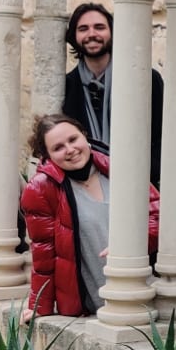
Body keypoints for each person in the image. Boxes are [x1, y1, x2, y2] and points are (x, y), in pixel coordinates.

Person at [20, 114, 158, 322]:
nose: (70, 149)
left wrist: (133, 243)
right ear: (46, 156)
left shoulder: (118, 169)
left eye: (73, 139)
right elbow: (43, 253)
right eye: (58, 147)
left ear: (84, 136)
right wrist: (39, 305)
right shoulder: (41, 189)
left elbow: (157, 214)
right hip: (96, 303)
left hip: (145, 290)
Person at [61, 2, 166, 184]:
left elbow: (161, 134)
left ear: (112, 32)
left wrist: (147, 175)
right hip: (84, 185)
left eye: (99, 27)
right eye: (83, 29)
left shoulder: (144, 79)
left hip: (138, 184)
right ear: (74, 36)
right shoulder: (65, 85)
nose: (92, 34)